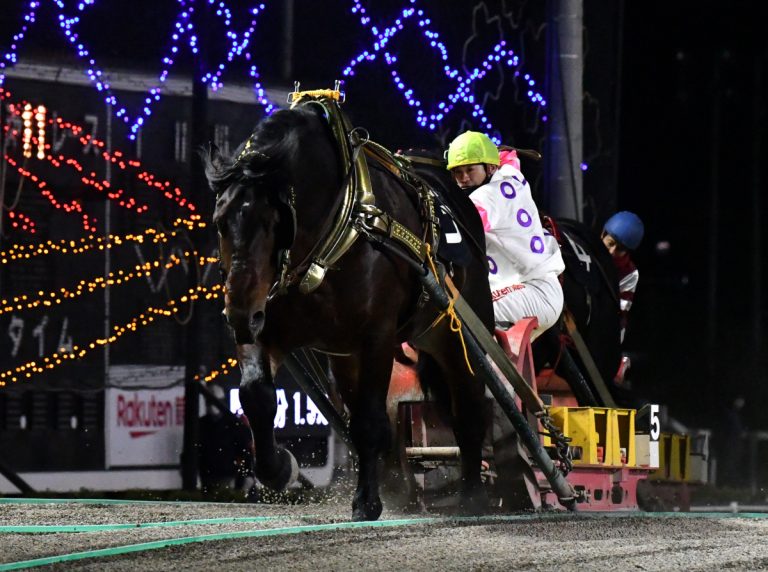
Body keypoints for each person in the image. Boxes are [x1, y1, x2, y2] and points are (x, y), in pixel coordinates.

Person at [446, 131, 565, 337]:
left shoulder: (489, 195)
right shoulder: (509, 177)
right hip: (528, 290)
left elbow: (460, 226)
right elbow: (510, 161)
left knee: (459, 313)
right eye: (457, 171)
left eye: (470, 170)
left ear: (491, 168)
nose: (463, 178)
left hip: (532, 291)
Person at [601, 211, 644, 343]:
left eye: (619, 249)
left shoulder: (630, 273)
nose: (612, 252)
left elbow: (618, 313)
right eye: (610, 243)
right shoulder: (587, 251)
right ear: (602, 235)